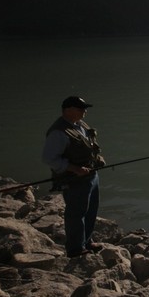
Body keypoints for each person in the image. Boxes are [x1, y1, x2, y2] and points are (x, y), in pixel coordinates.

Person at [41, 96, 106, 257]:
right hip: (74, 180)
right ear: (68, 109)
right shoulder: (58, 132)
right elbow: (49, 159)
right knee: (76, 214)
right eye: (80, 108)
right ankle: (75, 249)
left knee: (91, 210)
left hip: (91, 176)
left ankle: (87, 241)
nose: (84, 111)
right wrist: (75, 169)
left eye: (84, 108)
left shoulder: (80, 125)